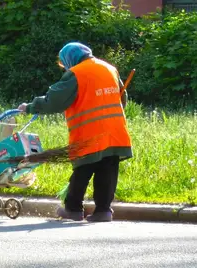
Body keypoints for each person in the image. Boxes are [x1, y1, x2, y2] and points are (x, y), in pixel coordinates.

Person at [17, 42, 133, 222]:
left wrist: (31, 107)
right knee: (108, 169)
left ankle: (73, 209)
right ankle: (103, 211)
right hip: (115, 130)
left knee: (83, 168)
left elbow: (54, 100)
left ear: (70, 59)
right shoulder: (110, 68)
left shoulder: (77, 73)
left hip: (90, 133)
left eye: (64, 63)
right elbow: (122, 98)